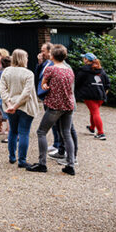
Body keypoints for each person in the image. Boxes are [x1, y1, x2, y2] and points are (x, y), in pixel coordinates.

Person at [27, 44, 76, 175]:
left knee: (41, 132)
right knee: (66, 133)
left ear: (52, 56)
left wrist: (46, 86)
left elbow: (43, 84)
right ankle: (70, 165)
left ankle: (42, 163)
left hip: (55, 105)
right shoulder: (69, 70)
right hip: (69, 105)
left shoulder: (51, 69)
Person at [0, 49, 40, 168]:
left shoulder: (6, 71)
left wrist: (9, 104)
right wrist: (16, 105)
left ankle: (12, 157)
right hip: (25, 107)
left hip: (10, 105)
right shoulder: (28, 73)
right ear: (23, 59)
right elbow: (26, 93)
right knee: (23, 133)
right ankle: (22, 160)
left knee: (13, 131)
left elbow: (3, 90)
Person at [75, 52, 110, 140]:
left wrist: (78, 91)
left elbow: (77, 82)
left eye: (84, 58)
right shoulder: (101, 70)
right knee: (93, 111)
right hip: (101, 95)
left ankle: (101, 133)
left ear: (86, 60)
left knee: (95, 112)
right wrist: (104, 92)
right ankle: (91, 128)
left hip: (89, 95)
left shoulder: (83, 70)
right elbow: (107, 83)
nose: (83, 59)